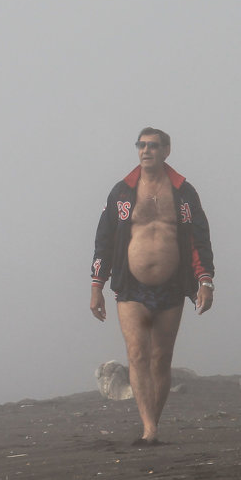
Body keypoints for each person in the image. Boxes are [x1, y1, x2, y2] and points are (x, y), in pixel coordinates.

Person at [89, 128, 215, 445]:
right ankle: (149, 429)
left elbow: (200, 239)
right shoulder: (121, 192)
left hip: (172, 287)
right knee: (137, 355)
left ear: (167, 150)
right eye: (141, 145)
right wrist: (96, 286)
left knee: (161, 358)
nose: (146, 151)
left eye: (153, 146)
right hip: (131, 288)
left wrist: (205, 280)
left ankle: (152, 421)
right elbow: (103, 240)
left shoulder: (184, 193)